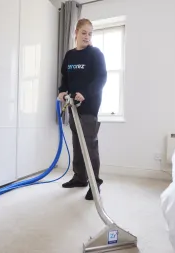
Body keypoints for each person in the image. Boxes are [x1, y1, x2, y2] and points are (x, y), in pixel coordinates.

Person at [57, 18, 107, 200]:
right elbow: (65, 79)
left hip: (89, 107)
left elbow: (101, 78)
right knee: (77, 143)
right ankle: (80, 178)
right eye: (84, 32)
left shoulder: (95, 54)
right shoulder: (70, 55)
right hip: (72, 106)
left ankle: (95, 184)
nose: (87, 37)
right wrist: (62, 91)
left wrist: (85, 93)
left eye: (90, 33)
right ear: (75, 33)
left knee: (89, 145)